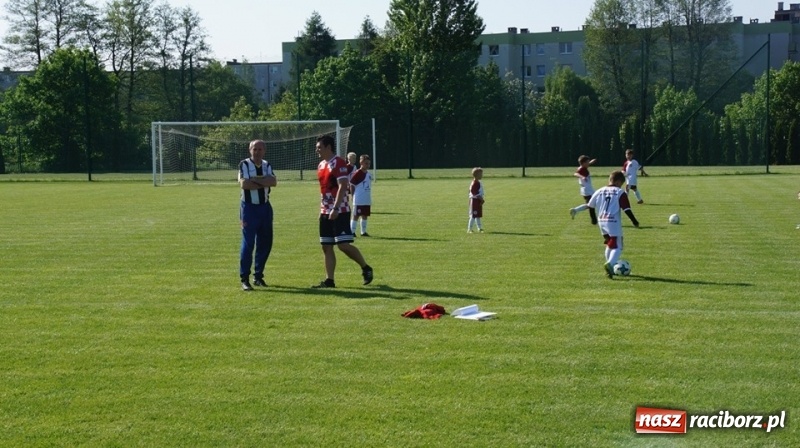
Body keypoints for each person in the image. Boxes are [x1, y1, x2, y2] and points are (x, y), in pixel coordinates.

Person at [313, 135, 374, 288]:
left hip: (340, 210)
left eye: (319, 147)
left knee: (343, 245)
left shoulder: (338, 163)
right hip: (325, 211)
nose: (317, 150)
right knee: (326, 246)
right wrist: (323, 209)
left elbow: (343, 186)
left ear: (328, 147)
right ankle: (329, 280)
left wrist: (335, 207)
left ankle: (366, 268)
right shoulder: (321, 165)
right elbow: (324, 189)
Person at [238, 139, 277, 291]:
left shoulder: (267, 165)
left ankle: (258, 276)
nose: (257, 152)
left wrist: (254, 180)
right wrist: (263, 181)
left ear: (264, 151)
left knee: (266, 242)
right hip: (248, 209)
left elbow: (273, 182)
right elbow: (244, 184)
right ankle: (244, 278)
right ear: (250, 150)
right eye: (255, 149)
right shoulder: (244, 164)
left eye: (260, 149)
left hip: (265, 208)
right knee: (248, 243)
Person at [587, 170, 640, 279]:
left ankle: (609, 266)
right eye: (621, 184)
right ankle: (610, 264)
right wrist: (634, 221)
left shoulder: (600, 190)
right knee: (618, 246)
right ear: (618, 182)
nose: (621, 186)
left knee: (610, 244)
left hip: (602, 221)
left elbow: (590, 206)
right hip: (612, 222)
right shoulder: (620, 192)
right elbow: (627, 209)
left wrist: (593, 219)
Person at [569, 155, 598, 224]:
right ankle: (594, 221)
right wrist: (582, 177)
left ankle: (575, 210)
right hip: (588, 190)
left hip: (587, 190)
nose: (588, 163)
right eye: (587, 162)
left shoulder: (583, 168)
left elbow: (585, 166)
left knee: (591, 204)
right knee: (592, 205)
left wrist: (591, 162)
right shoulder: (581, 169)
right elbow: (576, 174)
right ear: (583, 163)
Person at [350, 154, 373, 237]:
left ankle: (363, 232)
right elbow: (352, 184)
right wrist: (352, 196)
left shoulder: (369, 174)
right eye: (366, 163)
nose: (368, 165)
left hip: (366, 199)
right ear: (361, 162)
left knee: (365, 215)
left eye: (369, 163)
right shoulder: (358, 173)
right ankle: (352, 232)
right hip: (359, 198)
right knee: (356, 215)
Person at [467, 167, 485, 233]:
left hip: (477, 201)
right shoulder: (475, 183)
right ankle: (469, 229)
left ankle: (479, 228)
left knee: (478, 215)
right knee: (473, 215)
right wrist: (481, 199)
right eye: (481, 174)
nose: (482, 175)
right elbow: (474, 193)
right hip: (474, 201)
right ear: (477, 175)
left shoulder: (478, 182)